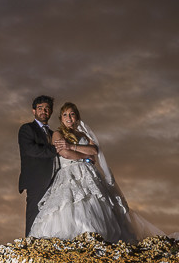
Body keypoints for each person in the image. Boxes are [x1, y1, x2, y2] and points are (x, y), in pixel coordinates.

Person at [29, 102, 165, 244]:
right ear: (61, 118)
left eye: (72, 114)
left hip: (88, 173)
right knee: (70, 203)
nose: (69, 117)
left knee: (95, 202)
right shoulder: (58, 133)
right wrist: (83, 155)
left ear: (77, 117)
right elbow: (65, 153)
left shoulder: (83, 134)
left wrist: (72, 146)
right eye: (65, 115)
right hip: (69, 173)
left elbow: (94, 151)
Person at [18, 95, 59, 236]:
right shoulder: (27, 129)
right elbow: (31, 150)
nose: (44, 111)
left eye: (47, 109)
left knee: (52, 216)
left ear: (51, 112)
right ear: (34, 111)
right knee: (34, 216)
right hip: (36, 180)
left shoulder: (54, 134)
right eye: (40, 108)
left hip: (55, 180)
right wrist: (55, 150)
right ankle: (30, 246)